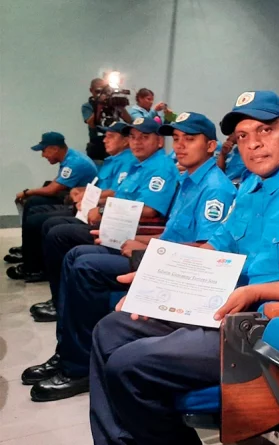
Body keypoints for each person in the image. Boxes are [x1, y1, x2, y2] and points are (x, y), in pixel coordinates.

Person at [88, 90, 279, 445]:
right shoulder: (251, 185)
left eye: (265, 131)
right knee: (109, 330)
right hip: (223, 305)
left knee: (129, 364)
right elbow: (215, 247)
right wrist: (156, 278)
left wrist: (257, 291)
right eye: (243, 137)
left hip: (270, 327)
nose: (253, 145)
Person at [23, 112, 236, 402]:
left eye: (190, 139)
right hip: (161, 253)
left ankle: (77, 367)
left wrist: (146, 247)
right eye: (177, 140)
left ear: (211, 146)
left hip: (176, 267)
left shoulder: (214, 187)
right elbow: (173, 234)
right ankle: (67, 352)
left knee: (84, 264)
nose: (181, 146)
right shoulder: (190, 180)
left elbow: (206, 248)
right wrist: (144, 242)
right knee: (76, 257)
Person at [31, 118, 179, 323]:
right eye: (133, 137)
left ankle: (61, 305)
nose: (137, 142)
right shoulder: (139, 165)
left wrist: (103, 209)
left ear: (160, 142)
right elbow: (121, 194)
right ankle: (61, 302)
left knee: (59, 235)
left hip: (133, 230)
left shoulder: (159, 167)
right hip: (117, 223)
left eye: (144, 137)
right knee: (57, 232)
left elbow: (150, 210)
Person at [7, 132, 98, 281]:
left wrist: (26, 192)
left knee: (34, 213)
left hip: (80, 204)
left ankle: (34, 268)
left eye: (44, 150)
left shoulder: (74, 162)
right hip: (72, 198)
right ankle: (29, 252)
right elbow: (56, 183)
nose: (43, 155)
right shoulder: (69, 158)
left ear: (55, 148)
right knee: (33, 202)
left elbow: (53, 190)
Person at [82, 78, 133, 160]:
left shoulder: (112, 104)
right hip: (97, 146)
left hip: (116, 145)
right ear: (91, 90)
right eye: (98, 91)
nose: (102, 94)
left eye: (104, 91)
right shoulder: (87, 106)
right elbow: (91, 124)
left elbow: (129, 121)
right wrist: (99, 105)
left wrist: (120, 107)